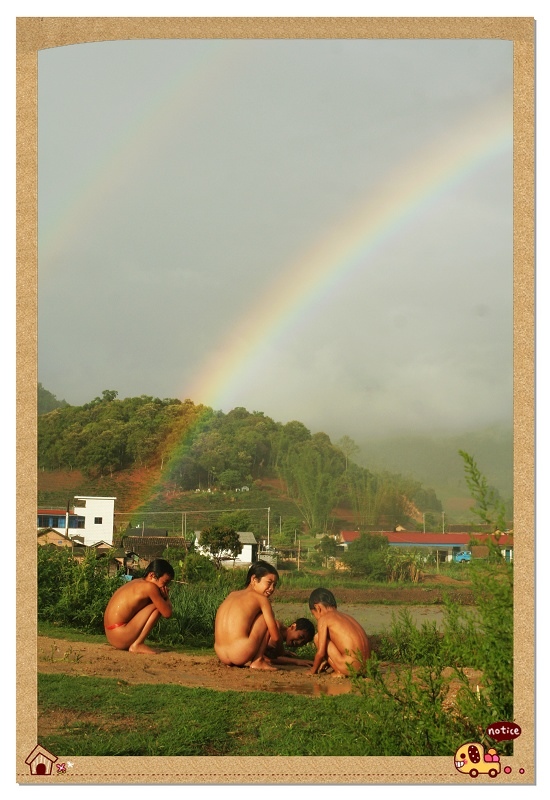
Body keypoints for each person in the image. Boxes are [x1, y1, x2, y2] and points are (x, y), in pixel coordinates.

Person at [214, 560, 282, 671]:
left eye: (274, 585)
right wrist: (280, 651)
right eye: (269, 583)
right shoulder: (261, 599)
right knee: (265, 618)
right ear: (254, 579)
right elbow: (275, 636)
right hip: (240, 652)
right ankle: (258, 661)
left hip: (221, 653)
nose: (272, 588)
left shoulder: (232, 594)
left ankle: (255, 658)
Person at [103, 558, 174, 654]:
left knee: (156, 604)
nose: (165, 587)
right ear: (152, 575)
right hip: (119, 635)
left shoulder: (138, 581)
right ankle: (137, 644)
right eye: (164, 583)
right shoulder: (150, 587)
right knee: (158, 607)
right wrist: (166, 598)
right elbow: (167, 613)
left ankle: (136, 643)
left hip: (111, 634)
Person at [307, 587, 370, 677]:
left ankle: (339, 672)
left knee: (317, 638)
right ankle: (342, 667)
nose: (316, 618)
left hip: (351, 668)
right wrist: (329, 662)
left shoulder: (324, 619)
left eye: (314, 614)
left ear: (318, 608)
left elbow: (321, 653)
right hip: (367, 668)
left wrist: (312, 670)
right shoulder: (347, 617)